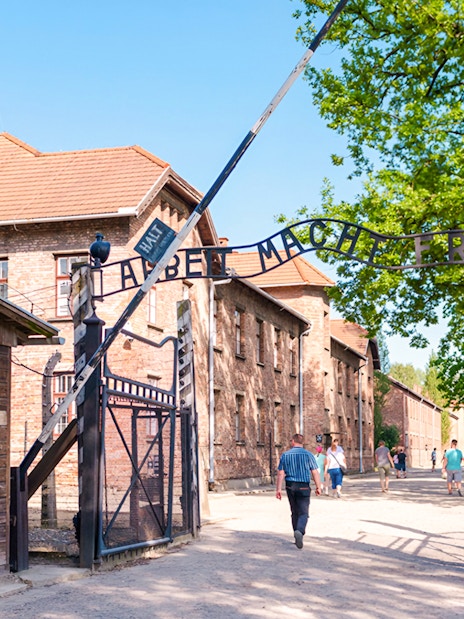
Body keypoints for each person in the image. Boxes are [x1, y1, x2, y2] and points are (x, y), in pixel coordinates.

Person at [276, 433, 321, 549]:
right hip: (304, 486)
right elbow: (315, 471)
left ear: (293, 442)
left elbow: (281, 473)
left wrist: (278, 489)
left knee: (294, 511)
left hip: (290, 486)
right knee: (303, 512)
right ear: (302, 442)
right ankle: (299, 531)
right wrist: (318, 486)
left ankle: (296, 532)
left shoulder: (285, 455)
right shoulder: (308, 455)